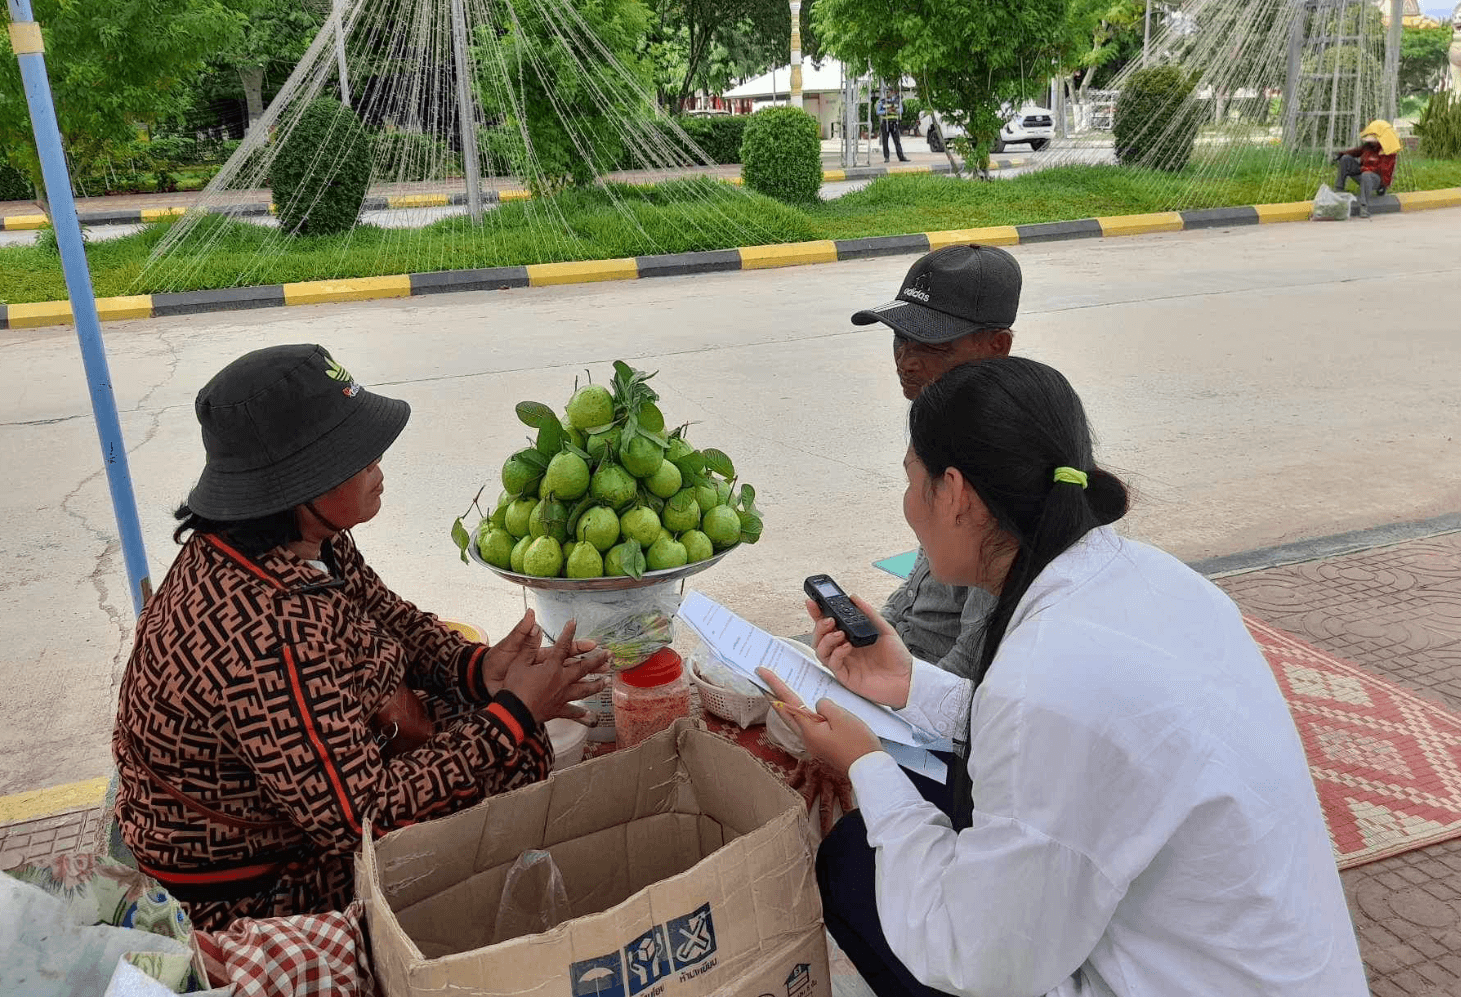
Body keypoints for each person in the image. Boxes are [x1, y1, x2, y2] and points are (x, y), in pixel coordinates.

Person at [762, 356, 1367, 996]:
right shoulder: (1151, 577)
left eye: (913, 481)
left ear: (957, 495)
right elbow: (1079, 736)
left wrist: (864, 764)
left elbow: (977, 958)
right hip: (1274, 964)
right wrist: (908, 684)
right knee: (915, 819)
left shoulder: (1046, 680)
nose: (908, 507)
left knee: (858, 863)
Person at [112, 344, 608, 931]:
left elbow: (386, 614)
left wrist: (475, 668)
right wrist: (513, 715)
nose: (378, 464)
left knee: (495, 732)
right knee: (511, 757)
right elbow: (359, 814)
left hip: (297, 800)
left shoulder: (297, 537)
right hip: (251, 885)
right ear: (299, 485)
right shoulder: (268, 628)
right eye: (356, 455)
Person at [851, 244, 1018, 680]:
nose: (906, 361)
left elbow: (971, 663)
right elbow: (924, 585)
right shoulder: (942, 418)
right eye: (900, 338)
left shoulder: (1005, 463)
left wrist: (892, 694)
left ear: (997, 346)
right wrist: (873, 632)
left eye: (932, 345)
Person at [1333, 119, 1399, 218]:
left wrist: (1367, 169)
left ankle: (1364, 207)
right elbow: (1356, 152)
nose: (1371, 143)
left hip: (1376, 180)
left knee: (1366, 175)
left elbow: (1384, 171)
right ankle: (1339, 190)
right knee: (1346, 159)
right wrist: (1342, 154)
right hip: (1364, 172)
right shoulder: (1368, 147)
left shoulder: (1388, 152)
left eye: (1373, 141)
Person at [876, 86, 910, 164]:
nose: (891, 93)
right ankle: (886, 157)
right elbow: (878, 112)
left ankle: (901, 156)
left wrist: (895, 110)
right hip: (885, 123)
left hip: (894, 123)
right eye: (890, 92)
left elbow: (901, 110)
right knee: (885, 141)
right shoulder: (882, 101)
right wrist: (887, 111)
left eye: (892, 91)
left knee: (897, 140)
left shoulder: (897, 101)